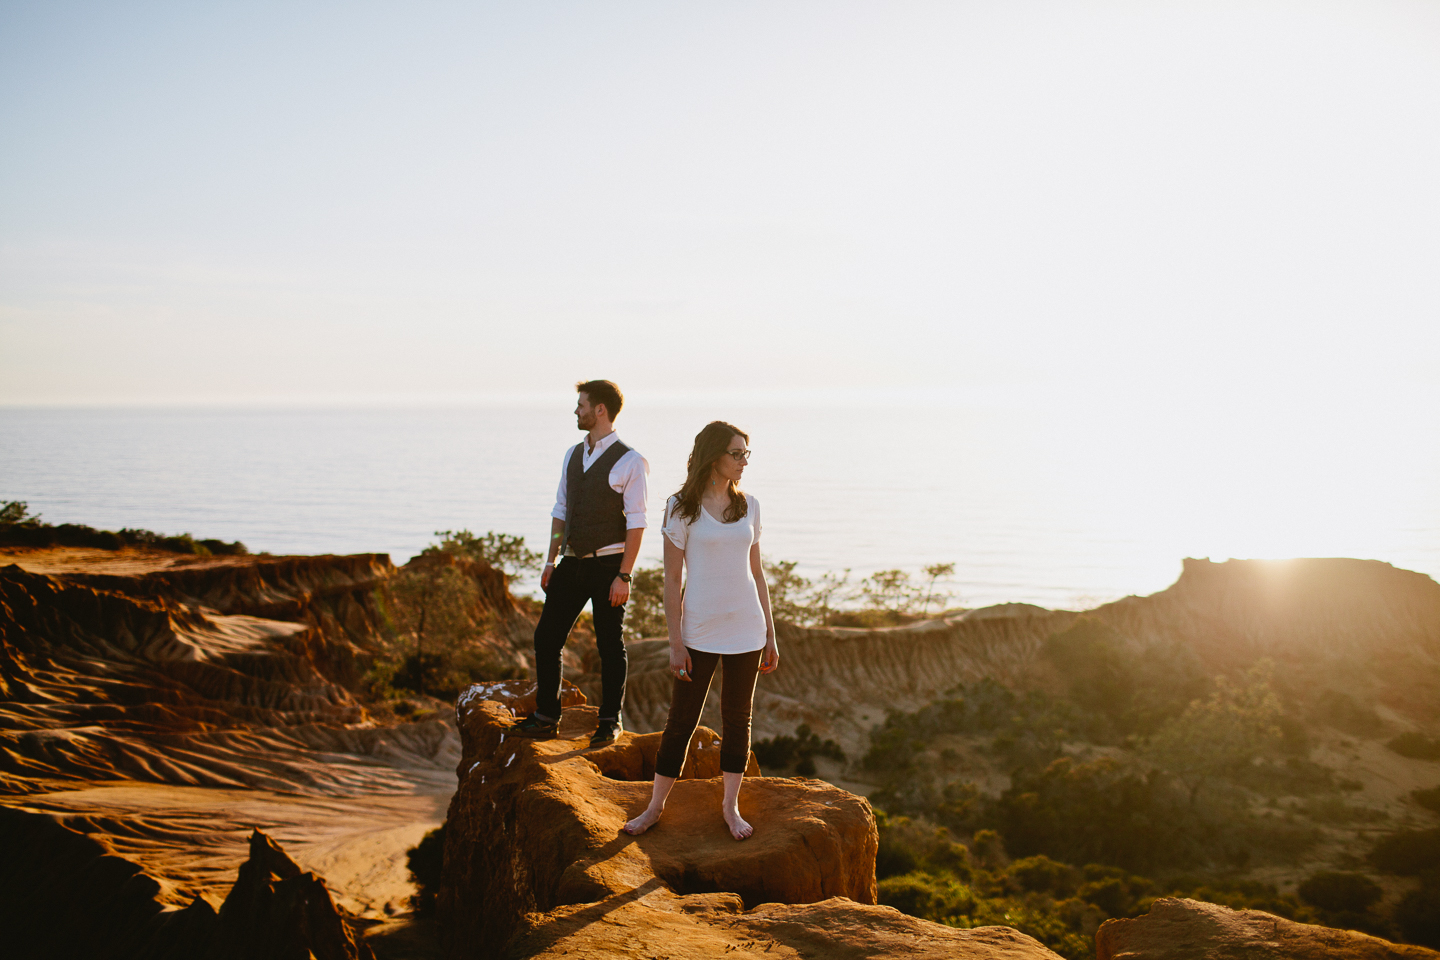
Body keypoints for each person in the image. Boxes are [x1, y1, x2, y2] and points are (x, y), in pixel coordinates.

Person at [623, 421, 779, 841]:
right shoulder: (681, 507)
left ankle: (730, 808)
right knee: (681, 723)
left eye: (747, 453)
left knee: (737, 720)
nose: (744, 461)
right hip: (699, 632)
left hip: (746, 628)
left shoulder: (751, 506)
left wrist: (770, 633)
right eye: (737, 453)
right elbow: (671, 582)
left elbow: (757, 573)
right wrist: (676, 642)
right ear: (714, 456)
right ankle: (655, 808)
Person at [512, 380, 648, 748]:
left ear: (599, 410)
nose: (576, 411)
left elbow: (637, 522)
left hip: (609, 567)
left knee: (609, 644)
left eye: (581, 405)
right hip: (571, 564)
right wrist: (551, 558)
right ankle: (546, 717)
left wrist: (625, 575)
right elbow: (561, 510)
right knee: (547, 637)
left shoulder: (630, 460)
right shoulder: (572, 454)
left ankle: (609, 720)